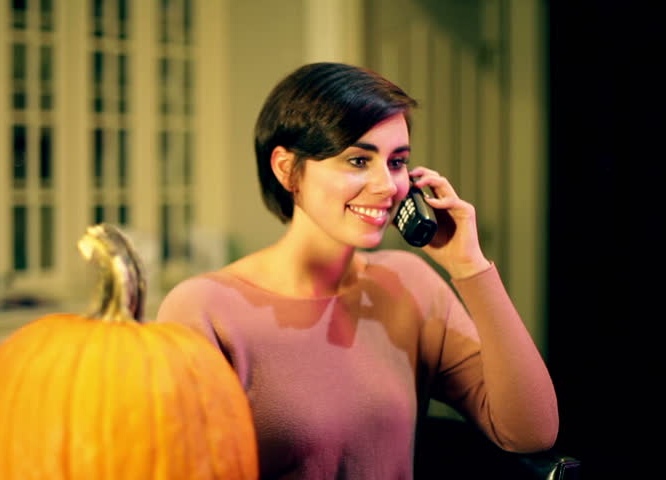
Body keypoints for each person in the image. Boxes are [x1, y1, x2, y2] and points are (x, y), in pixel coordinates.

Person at [155, 62, 558, 479]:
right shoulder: (205, 308)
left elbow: (530, 433)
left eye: (397, 162)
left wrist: (469, 266)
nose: (387, 185)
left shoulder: (411, 284)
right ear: (286, 168)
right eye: (358, 161)